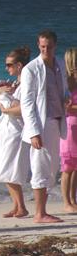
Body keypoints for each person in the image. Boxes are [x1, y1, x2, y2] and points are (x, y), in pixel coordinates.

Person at [21, 30, 67, 223]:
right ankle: (40, 213)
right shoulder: (31, 69)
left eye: (49, 46)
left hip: (57, 120)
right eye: (42, 47)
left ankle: (43, 210)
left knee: (53, 167)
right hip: (41, 122)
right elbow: (27, 102)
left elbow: (62, 91)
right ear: (38, 46)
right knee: (40, 166)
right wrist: (33, 132)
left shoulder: (60, 66)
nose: (46, 50)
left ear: (55, 46)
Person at [0, 46, 31, 218]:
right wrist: (0, 95)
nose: (7, 68)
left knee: (8, 167)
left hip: (16, 129)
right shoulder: (14, 84)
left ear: (19, 65)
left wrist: (5, 109)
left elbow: (24, 108)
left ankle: (22, 206)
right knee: (1, 166)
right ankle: (18, 205)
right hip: (5, 128)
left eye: (9, 65)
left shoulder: (26, 83)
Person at [60, 48, 77, 212]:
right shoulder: (67, 81)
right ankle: (67, 202)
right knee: (68, 167)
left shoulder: (70, 80)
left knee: (74, 167)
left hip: (73, 125)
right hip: (70, 126)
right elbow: (66, 107)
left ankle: (72, 200)